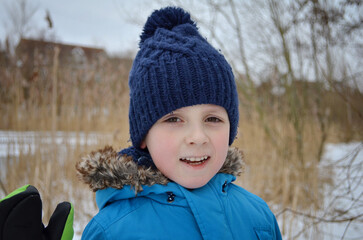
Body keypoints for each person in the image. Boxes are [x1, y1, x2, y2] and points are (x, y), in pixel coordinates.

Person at [76, 6, 282, 240]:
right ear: (143, 136)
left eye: (212, 119)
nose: (197, 136)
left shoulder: (258, 219)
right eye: (174, 119)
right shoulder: (112, 231)